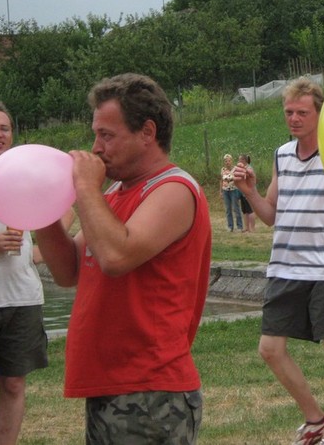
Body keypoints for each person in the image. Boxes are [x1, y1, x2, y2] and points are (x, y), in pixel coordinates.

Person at [35, 73, 212, 444]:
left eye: (107, 135)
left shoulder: (174, 190)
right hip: (111, 385)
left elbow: (116, 256)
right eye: (96, 134)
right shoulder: (115, 192)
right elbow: (69, 270)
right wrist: (43, 210)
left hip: (151, 390)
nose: (96, 147)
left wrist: (86, 188)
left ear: (147, 132)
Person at [233, 77, 324, 445]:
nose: (294, 118)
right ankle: (314, 419)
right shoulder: (282, 154)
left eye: (302, 112)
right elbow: (271, 215)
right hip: (285, 266)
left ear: (320, 113)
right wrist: (250, 192)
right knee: (270, 349)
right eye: (289, 112)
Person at [0, 102, 48, 445]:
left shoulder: (25, 178)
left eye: (4, 128)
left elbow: (64, 212)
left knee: (13, 384)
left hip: (21, 298)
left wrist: (38, 252)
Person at [221, 153, 243, 232]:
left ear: (231, 161)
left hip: (234, 190)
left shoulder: (235, 169)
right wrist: (221, 191)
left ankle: (239, 226)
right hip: (225, 191)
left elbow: (239, 179)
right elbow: (221, 180)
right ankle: (230, 226)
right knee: (228, 209)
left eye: (229, 161)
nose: (227, 162)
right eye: (226, 161)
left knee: (236, 208)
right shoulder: (223, 169)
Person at [237, 154, 256, 232]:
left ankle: (252, 228)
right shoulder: (241, 169)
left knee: (250, 210)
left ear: (244, 160)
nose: (238, 161)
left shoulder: (249, 168)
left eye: (240, 160)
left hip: (248, 192)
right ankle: (247, 227)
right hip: (242, 192)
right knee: (244, 211)